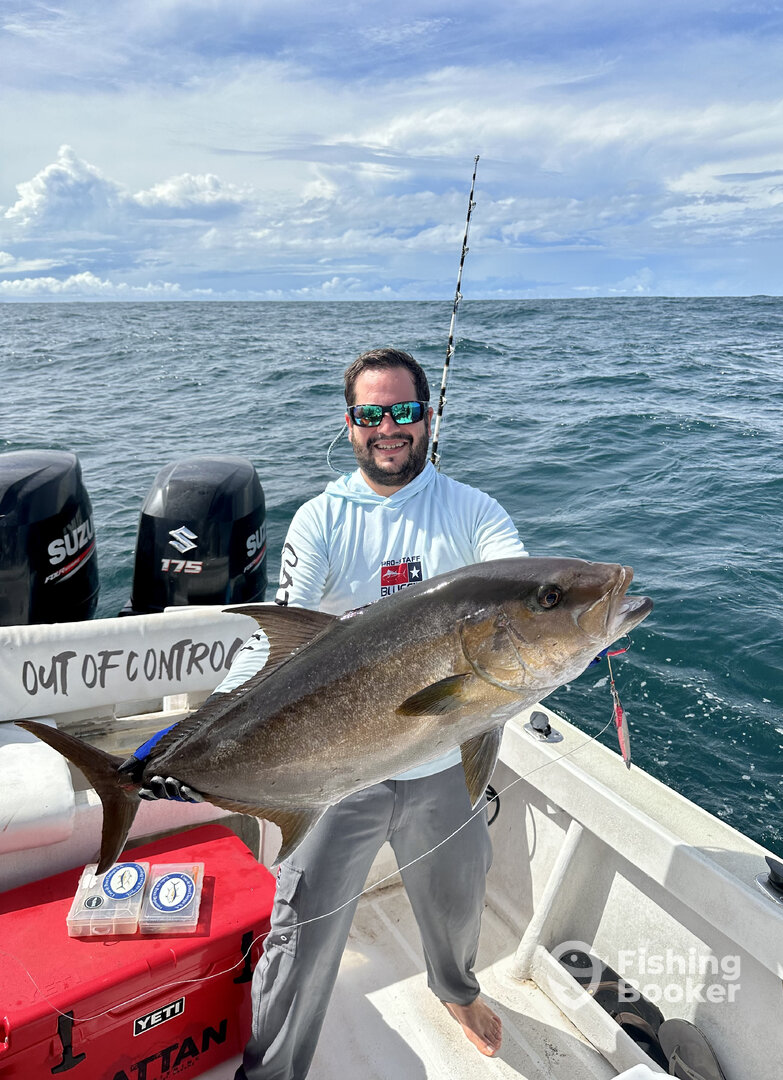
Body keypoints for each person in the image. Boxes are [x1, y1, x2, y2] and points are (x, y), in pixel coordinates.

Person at [139, 348, 527, 1079]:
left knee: (459, 894)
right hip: (338, 771)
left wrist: (570, 633)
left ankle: (457, 990)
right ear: (350, 425)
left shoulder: (475, 513)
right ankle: (274, 1072)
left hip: (449, 758)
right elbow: (279, 642)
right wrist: (183, 743)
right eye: (371, 414)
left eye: (404, 411)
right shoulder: (322, 519)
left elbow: (519, 592)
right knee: (301, 930)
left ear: (428, 418)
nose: (389, 427)